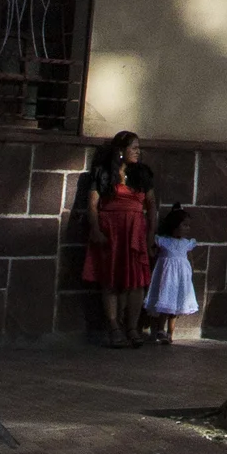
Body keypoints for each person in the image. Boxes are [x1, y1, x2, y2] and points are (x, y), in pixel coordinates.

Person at [79, 130, 154, 346]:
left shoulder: (142, 174)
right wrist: (95, 229)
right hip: (111, 229)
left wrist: (149, 236)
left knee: (136, 280)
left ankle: (132, 326)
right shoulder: (103, 173)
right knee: (110, 277)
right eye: (134, 148)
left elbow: (152, 206)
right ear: (121, 151)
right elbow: (93, 203)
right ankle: (113, 326)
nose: (138, 152)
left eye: (139, 148)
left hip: (134, 231)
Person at [142, 198, 200, 343]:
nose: (187, 228)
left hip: (180, 279)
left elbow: (189, 259)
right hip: (167, 279)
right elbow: (154, 254)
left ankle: (170, 333)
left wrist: (190, 271)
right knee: (165, 303)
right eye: (184, 225)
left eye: (188, 226)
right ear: (174, 226)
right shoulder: (164, 241)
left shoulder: (186, 243)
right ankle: (160, 330)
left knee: (175, 309)